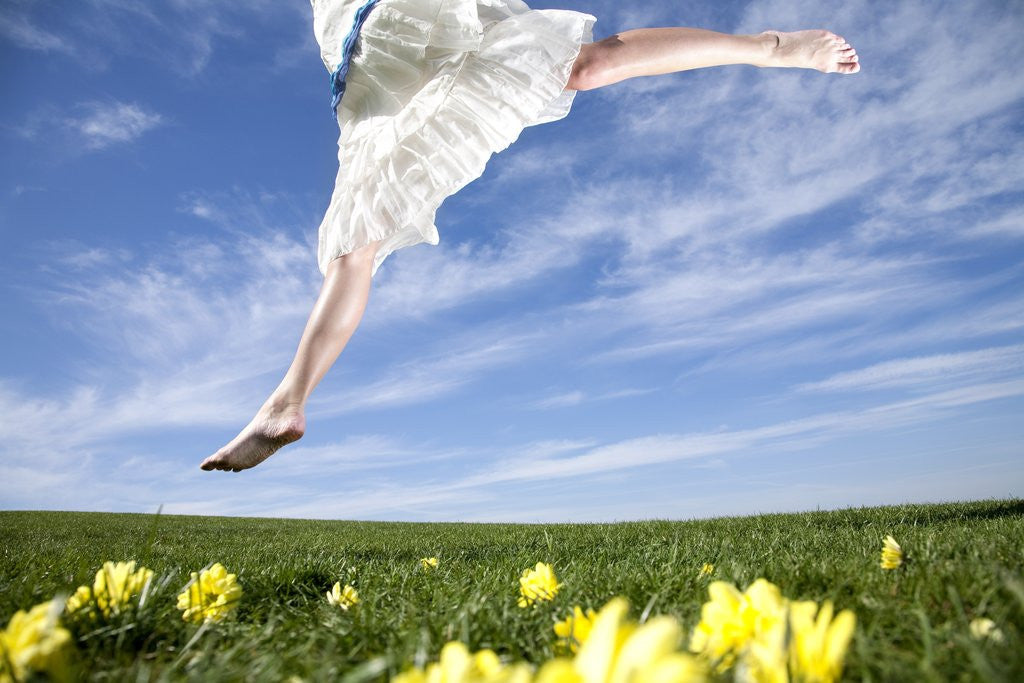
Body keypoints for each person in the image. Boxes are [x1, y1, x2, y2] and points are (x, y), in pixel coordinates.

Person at [200, 0, 859, 473]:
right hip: (372, 60)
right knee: (359, 237)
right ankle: (286, 401)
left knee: (584, 67)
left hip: (398, 25)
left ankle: (770, 46)